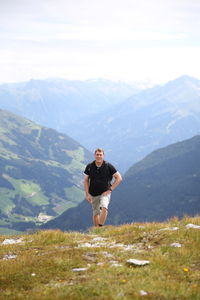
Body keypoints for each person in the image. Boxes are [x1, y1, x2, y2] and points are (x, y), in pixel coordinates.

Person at [84, 148, 122, 227]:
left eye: (100, 155)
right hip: (93, 193)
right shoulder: (90, 166)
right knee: (96, 213)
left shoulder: (108, 166)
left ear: (103, 156)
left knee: (104, 208)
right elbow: (86, 181)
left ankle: (100, 227)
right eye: (97, 154)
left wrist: (110, 189)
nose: (98, 156)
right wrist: (87, 194)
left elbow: (119, 178)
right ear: (94, 155)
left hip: (105, 192)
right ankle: (97, 231)